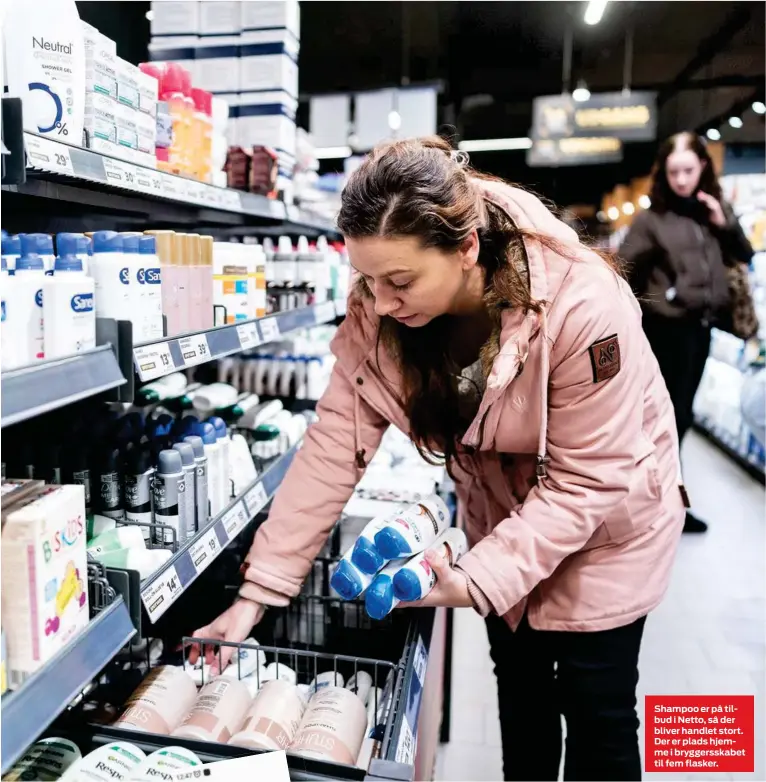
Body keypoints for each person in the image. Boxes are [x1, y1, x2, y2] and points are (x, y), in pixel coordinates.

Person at [192, 137, 686, 781]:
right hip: (503, 510)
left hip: (609, 526)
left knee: (598, 710)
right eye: (368, 281)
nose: (383, 301)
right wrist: (255, 597)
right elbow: (335, 442)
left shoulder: (582, 306)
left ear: (467, 248)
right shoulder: (379, 305)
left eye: (400, 281)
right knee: (521, 689)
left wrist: (477, 579)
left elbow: (587, 479)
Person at [620, 132, 754, 533]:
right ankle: (660, 507)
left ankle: (668, 504)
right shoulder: (652, 219)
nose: (681, 179)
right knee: (666, 419)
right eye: (674, 171)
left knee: (682, 419)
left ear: (702, 169)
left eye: (688, 170)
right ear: (664, 173)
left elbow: (746, 254)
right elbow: (623, 269)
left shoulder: (711, 211)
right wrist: (663, 300)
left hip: (701, 328)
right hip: (667, 331)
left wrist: (723, 221)